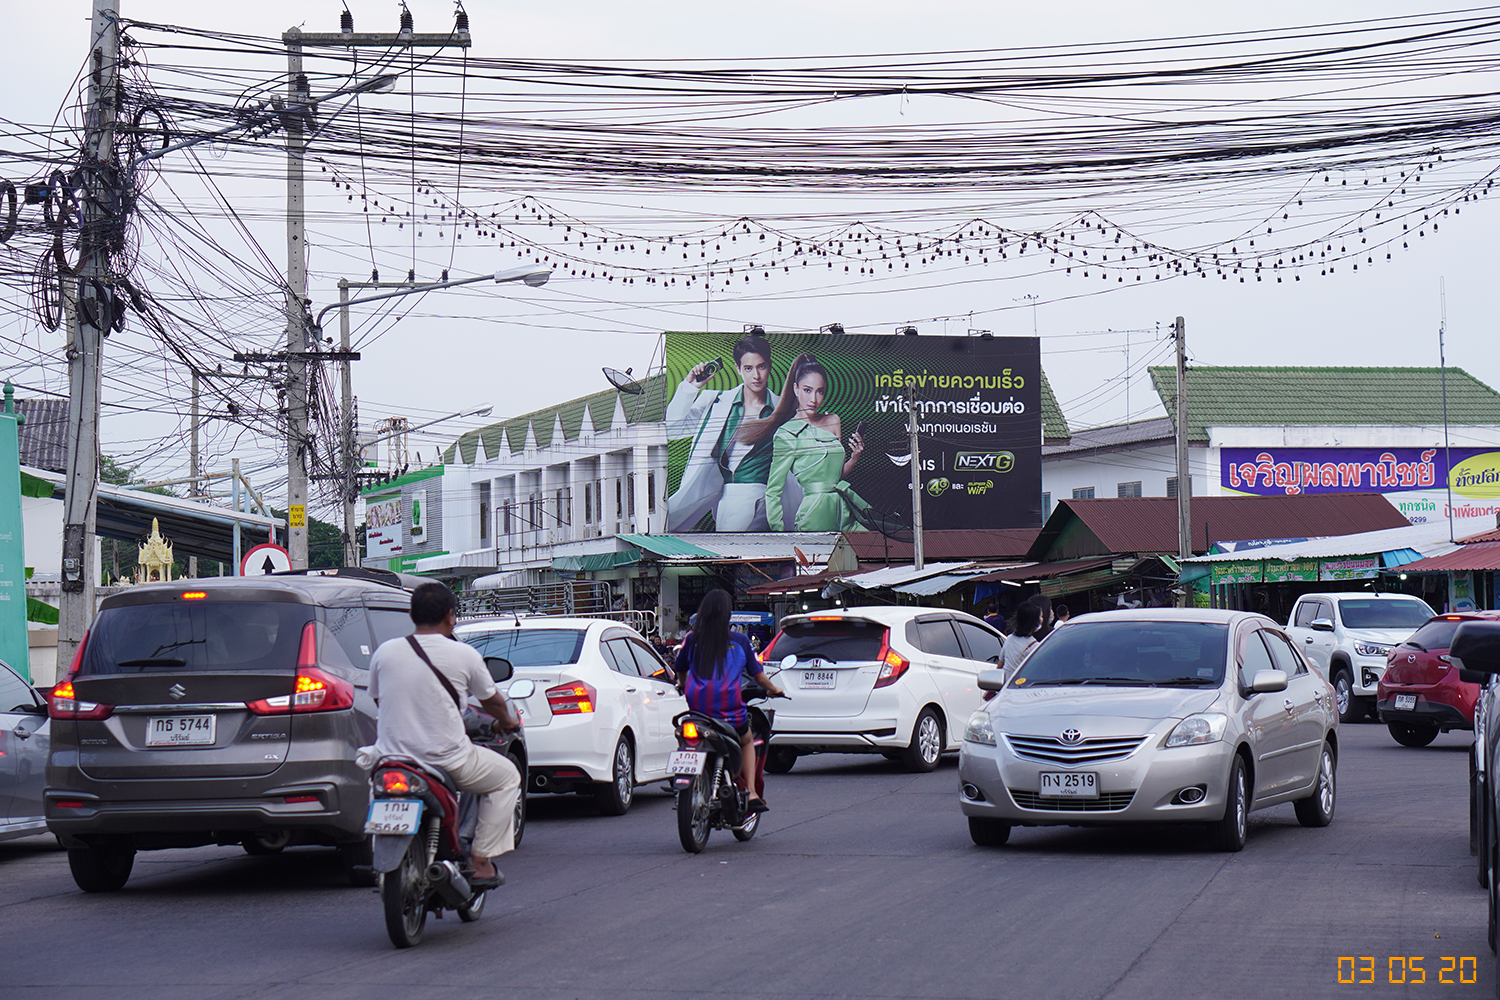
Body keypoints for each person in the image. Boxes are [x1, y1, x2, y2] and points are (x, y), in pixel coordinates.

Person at [367, 582, 522, 888]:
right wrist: (507, 721)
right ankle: (480, 859)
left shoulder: (385, 652)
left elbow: (378, 699)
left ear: (412, 615)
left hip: (391, 759)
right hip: (447, 759)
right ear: (452, 617)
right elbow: (491, 700)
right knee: (507, 777)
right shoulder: (463, 654)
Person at [673, 590, 784, 811]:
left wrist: (684, 687)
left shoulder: (691, 640)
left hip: (697, 709)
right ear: (728, 615)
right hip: (729, 709)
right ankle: (751, 792)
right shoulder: (740, 641)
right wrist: (775, 690)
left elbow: (681, 670)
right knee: (747, 740)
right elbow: (759, 677)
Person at [665, 333, 780, 531]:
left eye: (761, 366)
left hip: (768, 498)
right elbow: (672, 429)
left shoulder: (783, 408)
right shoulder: (714, 402)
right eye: (748, 368)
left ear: (769, 366)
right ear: (738, 369)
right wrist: (690, 387)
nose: (756, 375)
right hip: (724, 498)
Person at [748, 353, 871, 532]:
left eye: (819, 391)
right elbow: (773, 490)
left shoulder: (833, 420)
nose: (814, 400)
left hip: (843, 509)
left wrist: (854, 457)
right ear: (796, 389)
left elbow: (835, 478)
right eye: (807, 390)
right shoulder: (786, 434)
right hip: (815, 514)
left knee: (879, 549)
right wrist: (779, 532)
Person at [1000, 602, 1042, 678]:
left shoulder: (1009, 639)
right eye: (1040, 617)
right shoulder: (1035, 646)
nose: (1042, 619)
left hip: (1006, 685)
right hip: (1022, 686)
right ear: (1034, 621)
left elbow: (1000, 666)